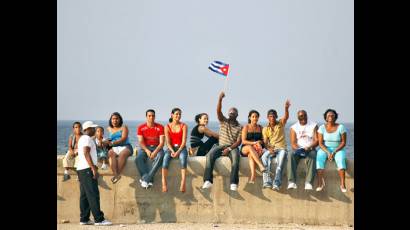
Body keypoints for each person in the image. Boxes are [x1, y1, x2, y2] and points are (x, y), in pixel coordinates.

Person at [202, 92, 242, 191]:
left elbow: (238, 142)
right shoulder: (223, 121)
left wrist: (229, 149)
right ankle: (208, 180)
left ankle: (233, 183)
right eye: (230, 113)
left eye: (233, 113)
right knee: (210, 155)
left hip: (232, 147)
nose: (231, 114)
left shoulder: (240, 127)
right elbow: (218, 111)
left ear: (237, 115)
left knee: (236, 159)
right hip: (220, 145)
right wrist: (220, 99)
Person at [76, 121, 112, 226]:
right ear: (87, 129)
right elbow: (86, 152)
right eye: (93, 128)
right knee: (93, 194)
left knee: (85, 195)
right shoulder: (87, 139)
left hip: (81, 169)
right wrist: (93, 168)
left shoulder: (82, 138)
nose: (95, 130)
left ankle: (84, 219)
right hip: (87, 169)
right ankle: (99, 219)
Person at [261, 100, 291, 190]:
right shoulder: (265, 129)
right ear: (267, 117)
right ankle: (267, 181)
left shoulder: (280, 123)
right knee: (264, 157)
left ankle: (277, 183)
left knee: (280, 162)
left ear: (276, 117)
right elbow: (265, 142)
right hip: (272, 148)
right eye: (270, 116)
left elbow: (286, 117)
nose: (272, 118)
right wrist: (269, 149)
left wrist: (286, 108)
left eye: (274, 116)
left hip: (281, 148)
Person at [316, 109, 348, 193]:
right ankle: (320, 183)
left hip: (338, 148)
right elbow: (320, 143)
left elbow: (343, 142)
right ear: (326, 118)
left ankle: (342, 184)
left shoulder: (341, 127)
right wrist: (328, 152)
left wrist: (334, 152)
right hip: (325, 148)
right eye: (328, 115)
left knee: (340, 159)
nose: (330, 116)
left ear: (335, 117)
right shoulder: (321, 128)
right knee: (319, 156)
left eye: (332, 115)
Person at [287, 110, 318, 190]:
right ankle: (292, 182)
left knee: (313, 155)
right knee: (290, 154)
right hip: (299, 149)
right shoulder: (294, 127)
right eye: (301, 116)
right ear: (298, 118)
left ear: (307, 115)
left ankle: (308, 182)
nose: (303, 117)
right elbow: (293, 143)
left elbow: (316, 140)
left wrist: (310, 147)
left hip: (310, 149)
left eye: (304, 115)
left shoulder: (313, 125)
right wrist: (299, 149)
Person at [135, 109, 165, 189]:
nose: (151, 117)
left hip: (157, 147)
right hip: (145, 147)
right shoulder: (141, 127)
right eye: (149, 116)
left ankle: (146, 179)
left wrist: (155, 151)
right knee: (138, 159)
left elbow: (162, 143)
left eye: (153, 116)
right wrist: (147, 150)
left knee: (161, 156)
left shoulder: (160, 127)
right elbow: (141, 142)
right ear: (146, 117)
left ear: (155, 117)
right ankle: (149, 180)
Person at [162, 108, 188, 193]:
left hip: (181, 148)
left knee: (183, 160)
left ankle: (183, 182)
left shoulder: (183, 126)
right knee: (165, 159)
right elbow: (167, 142)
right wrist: (173, 151)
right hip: (171, 148)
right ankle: (164, 183)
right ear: (172, 115)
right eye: (176, 114)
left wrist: (178, 151)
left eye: (180, 114)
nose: (178, 116)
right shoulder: (167, 126)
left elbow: (184, 142)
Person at [241, 110, 267, 184]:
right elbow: (243, 141)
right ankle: (260, 165)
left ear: (258, 118)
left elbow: (263, 141)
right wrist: (254, 142)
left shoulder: (261, 128)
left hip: (257, 149)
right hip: (245, 148)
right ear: (250, 118)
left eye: (256, 117)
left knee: (250, 155)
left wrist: (259, 142)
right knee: (249, 147)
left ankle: (253, 176)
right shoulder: (246, 127)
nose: (255, 118)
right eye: (253, 117)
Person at [106, 112, 133, 184]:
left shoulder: (124, 127)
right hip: (114, 147)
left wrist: (113, 143)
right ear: (111, 120)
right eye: (113, 119)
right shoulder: (109, 128)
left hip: (125, 146)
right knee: (110, 153)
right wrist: (105, 142)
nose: (115, 120)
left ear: (120, 119)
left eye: (116, 119)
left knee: (122, 154)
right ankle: (116, 175)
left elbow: (123, 138)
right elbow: (110, 139)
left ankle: (116, 175)